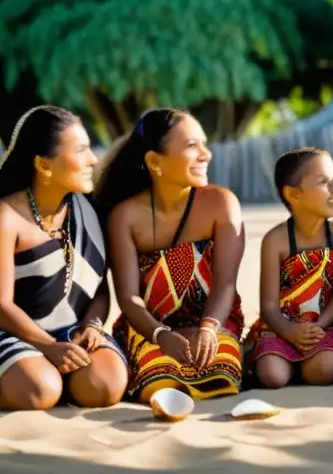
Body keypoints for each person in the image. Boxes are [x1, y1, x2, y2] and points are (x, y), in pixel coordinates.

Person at [0, 106, 127, 411]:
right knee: (39, 390)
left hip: (69, 329)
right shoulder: (2, 216)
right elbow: (0, 308)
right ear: (44, 164)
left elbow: (100, 288)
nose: (93, 159)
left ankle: (42, 371)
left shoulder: (87, 210)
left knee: (104, 386)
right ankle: (18, 376)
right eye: (81, 151)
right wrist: (49, 348)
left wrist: (92, 325)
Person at [97, 109, 246, 403]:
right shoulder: (124, 217)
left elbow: (225, 285)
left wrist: (209, 329)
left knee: (219, 376)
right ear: (154, 162)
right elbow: (129, 299)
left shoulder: (221, 203)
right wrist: (160, 335)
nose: (206, 155)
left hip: (213, 321)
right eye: (192, 146)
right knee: (157, 383)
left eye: (204, 144)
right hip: (148, 327)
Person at [246, 147, 333, 388]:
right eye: (323, 182)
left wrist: (318, 326)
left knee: (323, 371)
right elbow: (269, 306)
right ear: (293, 194)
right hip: (281, 326)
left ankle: (304, 362)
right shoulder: (275, 240)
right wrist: (290, 331)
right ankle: (285, 361)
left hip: (324, 325)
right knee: (272, 377)